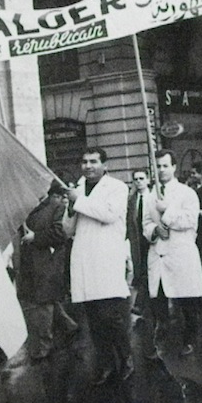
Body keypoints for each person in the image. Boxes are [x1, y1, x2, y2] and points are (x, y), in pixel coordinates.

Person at [63, 147, 133, 385]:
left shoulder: (117, 187)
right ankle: (105, 364)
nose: (88, 166)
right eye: (84, 161)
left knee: (110, 316)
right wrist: (70, 207)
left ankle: (125, 358)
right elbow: (67, 229)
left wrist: (78, 200)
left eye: (93, 161)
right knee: (93, 320)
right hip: (84, 259)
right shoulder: (78, 189)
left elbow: (109, 214)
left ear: (105, 164)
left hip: (106, 258)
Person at [143, 150, 202, 357]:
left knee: (187, 302)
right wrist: (154, 230)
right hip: (159, 254)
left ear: (174, 167)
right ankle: (161, 340)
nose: (161, 170)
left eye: (165, 166)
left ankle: (190, 339)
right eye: (157, 166)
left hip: (181, 253)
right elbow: (145, 223)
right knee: (158, 303)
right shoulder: (150, 195)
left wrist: (167, 212)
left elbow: (190, 220)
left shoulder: (187, 193)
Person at [19, 181, 78, 362]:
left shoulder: (57, 206)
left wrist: (35, 237)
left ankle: (45, 345)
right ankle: (69, 326)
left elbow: (61, 233)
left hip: (50, 261)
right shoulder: (30, 208)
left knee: (43, 301)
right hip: (34, 262)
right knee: (47, 298)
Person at [126, 169, 152, 318]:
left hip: (152, 239)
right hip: (137, 240)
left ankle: (140, 304)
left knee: (148, 271)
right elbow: (129, 221)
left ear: (147, 180)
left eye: (142, 178)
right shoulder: (132, 200)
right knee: (141, 270)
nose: (139, 182)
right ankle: (143, 304)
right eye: (136, 179)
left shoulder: (154, 197)